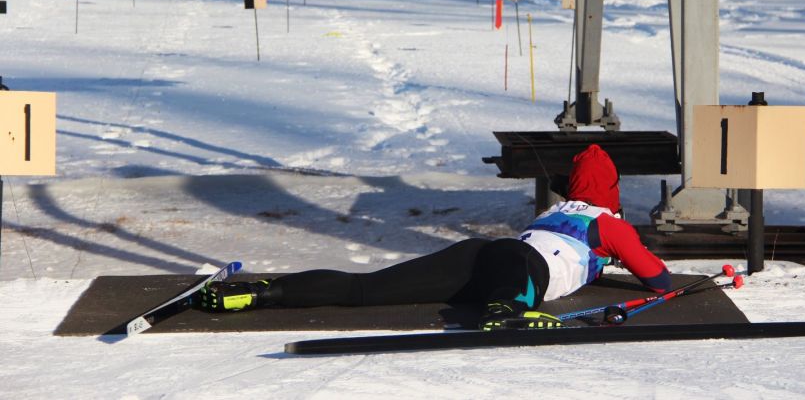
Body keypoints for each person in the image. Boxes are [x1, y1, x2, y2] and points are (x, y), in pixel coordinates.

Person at [196, 144, 671, 330]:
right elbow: (657, 280)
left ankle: (266, 292)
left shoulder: (557, 208)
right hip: (515, 268)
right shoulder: (609, 225)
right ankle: (506, 312)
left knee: (364, 289)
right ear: (612, 190)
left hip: (481, 257)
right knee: (516, 289)